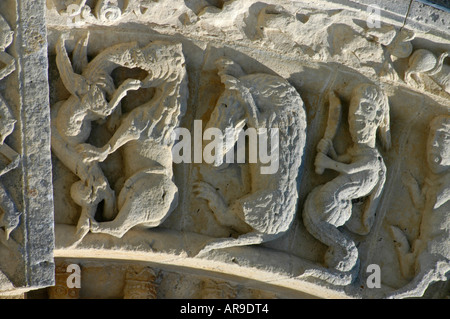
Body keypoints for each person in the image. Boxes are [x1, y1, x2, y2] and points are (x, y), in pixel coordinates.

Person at [303, 84, 390, 273]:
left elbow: (349, 170)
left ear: (377, 118)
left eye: (366, 109)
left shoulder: (372, 159)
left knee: (317, 220)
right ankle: (342, 253)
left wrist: (327, 162)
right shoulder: (357, 151)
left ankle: (343, 255)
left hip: (332, 204)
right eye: (353, 111)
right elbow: (339, 162)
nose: (357, 115)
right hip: (332, 204)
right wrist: (328, 150)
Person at [390, 114, 450, 298]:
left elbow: (438, 199)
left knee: (419, 281)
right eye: (432, 136)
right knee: (414, 272)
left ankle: (399, 294)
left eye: (443, 138)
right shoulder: (433, 181)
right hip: (425, 242)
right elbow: (422, 204)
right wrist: (413, 187)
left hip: (438, 246)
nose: (433, 143)